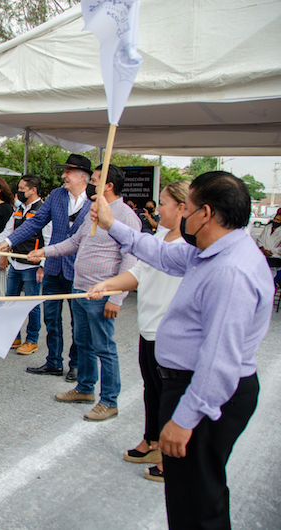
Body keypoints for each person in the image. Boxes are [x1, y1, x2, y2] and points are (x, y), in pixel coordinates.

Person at [90, 171, 273, 529]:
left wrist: (185, 420)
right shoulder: (214, 251)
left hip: (202, 390)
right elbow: (163, 255)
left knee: (196, 500)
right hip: (191, 384)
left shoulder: (230, 271)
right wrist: (114, 225)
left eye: (186, 208)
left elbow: (220, 361)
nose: (180, 216)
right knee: (193, 491)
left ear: (205, 214)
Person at [87, 180, 190, 482]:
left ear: (182, 208)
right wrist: (107, 285)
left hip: (169, 334)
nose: (157, 208)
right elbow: (140, 272)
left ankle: (173, 459)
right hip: (148, 328)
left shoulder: (189, 246)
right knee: (153, 390)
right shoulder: (161, 235)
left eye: (164, 202)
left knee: (171, 396)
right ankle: (153, 441)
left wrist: (110, 223)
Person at [27, 164, 141, 421]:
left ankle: (109, 401)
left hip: (102, 295)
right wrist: (45, 252)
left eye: (97, 180)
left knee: (104, 348)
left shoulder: (124, 215)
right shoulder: (93, 211)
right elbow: (74, 243)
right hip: (81, 290)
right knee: (85, 344)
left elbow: (130, 259)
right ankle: (85, 388)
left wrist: (116, 297)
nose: (92, 183)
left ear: (108, 186)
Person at [0, 154, 92, 380]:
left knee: (78, 321)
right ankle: (54, 362)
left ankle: (76, 365)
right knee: (51, 318)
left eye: (68, 172)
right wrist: (8, 242)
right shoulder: (57, 196)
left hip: (79, 270)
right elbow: (36, 222)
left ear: (82, 176)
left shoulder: (95, 200)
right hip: (53, 267)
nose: (63, 176)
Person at [4, 174, 45, 355]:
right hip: (15, 263)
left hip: (31, 266)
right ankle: (15, 336)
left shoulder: (43, 210)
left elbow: (49, 240)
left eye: (22, 189)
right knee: (10, 301)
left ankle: (32, 340)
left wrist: (43, 265)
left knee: (31, 305)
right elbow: (8, 232)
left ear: (33, 190)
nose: (18, 192)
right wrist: (3, 251)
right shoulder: (18, 209)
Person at [256, 207, 281, 282]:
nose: (275, 221)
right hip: (264, 256)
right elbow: (260, 240)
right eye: (275, 218)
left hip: (276, 258)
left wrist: (271, 252)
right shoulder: (267, 228)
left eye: (278, 220)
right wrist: (263, 250)